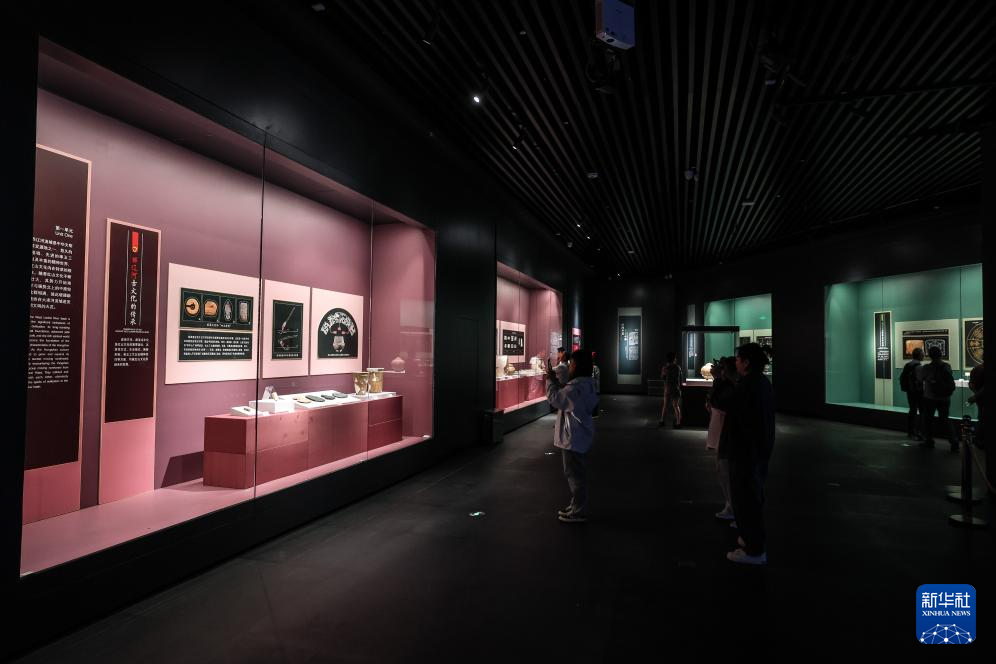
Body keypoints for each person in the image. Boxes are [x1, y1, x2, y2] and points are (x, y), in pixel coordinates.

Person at [725, 343, 775, 565]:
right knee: (751, 498)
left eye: (738, 359)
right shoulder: (762, 383)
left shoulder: (749, 385)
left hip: (746, 454)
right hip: (756, 453)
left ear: (746, 362)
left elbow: (738, 413)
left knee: (746, 499)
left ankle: (754, 550)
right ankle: (750, 539)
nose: (735, 362)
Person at [546, 348, 598, 523]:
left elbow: (554, 399)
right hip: (580, 435)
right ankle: (576, 504)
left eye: (572, 363)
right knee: (577, 473)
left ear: (577, 365)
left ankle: (578, 511)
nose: (569, 366)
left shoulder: (575, 388)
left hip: (572, 437)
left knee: (574, 475)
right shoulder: (587, 383)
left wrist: (550, 381)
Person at [707, 356, 738, 520]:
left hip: (728, 432)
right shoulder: (729, 385)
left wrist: (718, 379)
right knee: (722, 469)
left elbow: (719, 401)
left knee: (725, 469)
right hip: (723, 430)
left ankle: (735, 508)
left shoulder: (731, 386)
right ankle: (731, 505)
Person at [918, 345, 957, 452]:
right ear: (940, 354)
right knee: (945, 419)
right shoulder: (947, 366)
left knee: (928, 420)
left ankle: (929, 441)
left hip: (930, 397)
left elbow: (920, 378)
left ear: (930, 355)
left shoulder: (927, 367)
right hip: (945, 398)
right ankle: (954, 442)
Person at [899, 347, 925, 440]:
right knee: (922, 411)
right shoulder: (919, 367)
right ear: (919, 355)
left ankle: (910, 431)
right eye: (922, 354)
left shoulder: (908, 365)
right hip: (918, 392)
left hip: (910, 391)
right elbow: (920, 380)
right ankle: (919, 431)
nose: (924, 356)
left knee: (912, 410)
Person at [659, 351, 682, 428]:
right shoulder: (678, 368)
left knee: (665, 405)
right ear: (674, 359)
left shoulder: (665, 368)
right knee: (676, 406)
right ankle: (678, 422)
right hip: (675, 388)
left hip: (667, 388)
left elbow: (663, 378)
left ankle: (662, 420)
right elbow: (680, 379)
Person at [591, 351, 601, 418]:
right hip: (595, 387)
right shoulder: (595, 368)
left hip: (594, 387)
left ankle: (594, 413)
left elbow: (594, 378)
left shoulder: (595, 368)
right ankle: (594, 413)